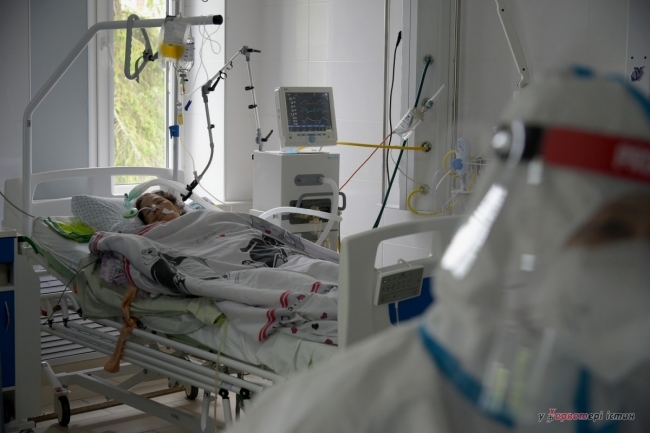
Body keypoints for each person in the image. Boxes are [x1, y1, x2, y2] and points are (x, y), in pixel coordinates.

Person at [225, 67, 650, 433]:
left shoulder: (626, 394)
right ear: (524, 225)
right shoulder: (335, 414)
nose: (634, 263)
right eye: (614, 229)